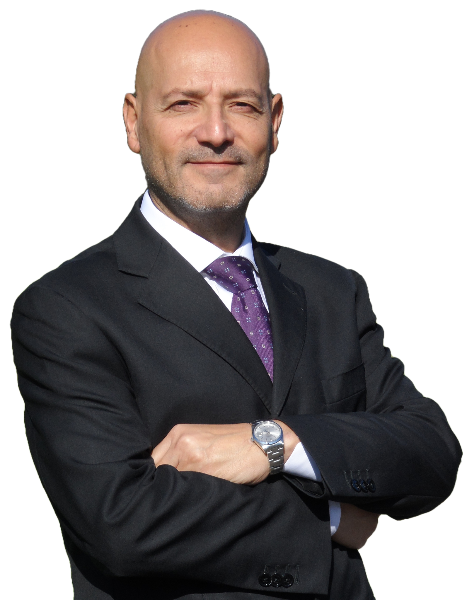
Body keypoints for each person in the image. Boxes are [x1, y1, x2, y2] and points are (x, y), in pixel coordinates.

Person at [11, 10, 461, 600]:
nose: (216, 132)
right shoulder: (66, 309)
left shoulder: (332, 291)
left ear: (275, 122)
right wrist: (329, 520)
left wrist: (276, 443)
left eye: (242, 106)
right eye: (184, 104)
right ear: (134, 122)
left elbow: (431, 453)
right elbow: (122, 522)